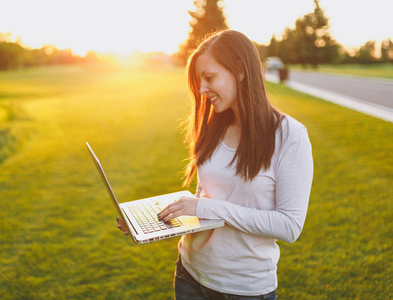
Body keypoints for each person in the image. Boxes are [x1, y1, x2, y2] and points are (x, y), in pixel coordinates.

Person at [118, 29, 313, 299]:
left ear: (241, 71)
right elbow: (204, 197)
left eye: (209, 78)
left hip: (243, 288)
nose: (202, 89)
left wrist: (204, 206)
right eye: (199, 80)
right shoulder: (215, 126)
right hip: (190, 274)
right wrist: (149, 222)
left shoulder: (290, 136)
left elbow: (289, 226)